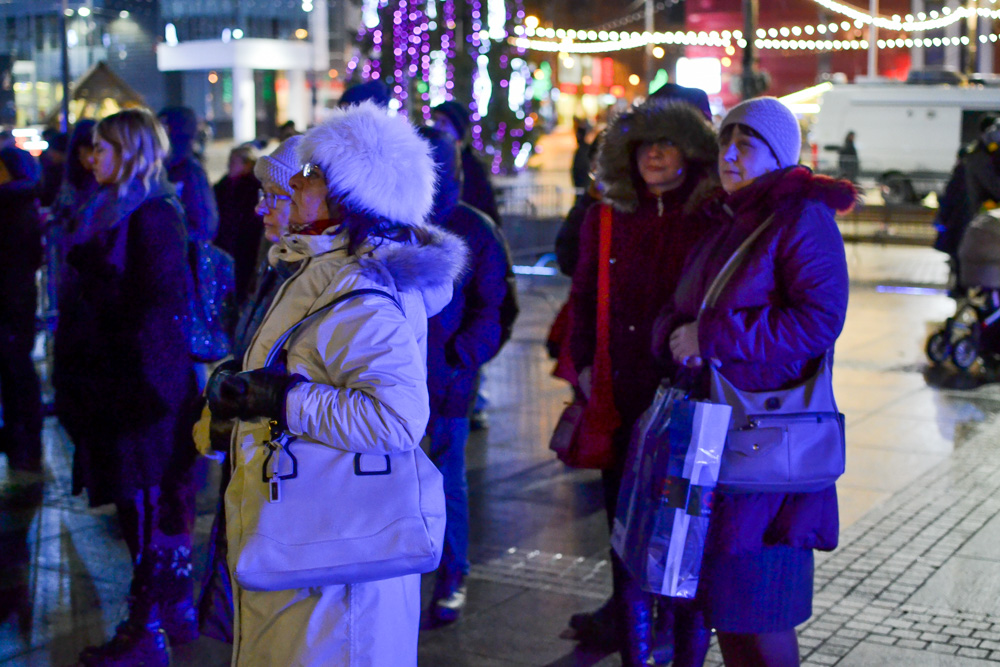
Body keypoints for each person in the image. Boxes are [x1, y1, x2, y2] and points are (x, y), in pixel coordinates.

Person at [207, 100, 465, 666]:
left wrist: (280, 398)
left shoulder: (359, 289)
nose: (295, 183)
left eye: (310, 174)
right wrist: (238, 399)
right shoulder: (320, 270)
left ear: (350, 196)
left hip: (336, 573)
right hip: (311, 546)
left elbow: (396, 418)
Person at [652, 97, 853, 667]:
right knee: (732, 610)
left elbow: (818, 320)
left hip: (767, 440)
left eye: (746, 145)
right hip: (722, 436)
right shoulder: (732, 218)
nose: (730, 156)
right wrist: (673, 333)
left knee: (761, 610)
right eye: (725, 142)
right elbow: (691, 301)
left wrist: (711, 338)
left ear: (779, 155)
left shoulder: (800, 217)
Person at [566, 97, 720, 660]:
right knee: (626, 542)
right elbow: (583, 296)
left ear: (691, 150)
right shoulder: (606, 216)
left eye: (667, 142)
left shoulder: (713, 217)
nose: (654, 154)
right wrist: (584, 365)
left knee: (686, 545)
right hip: (622, 405)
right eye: (643, 144)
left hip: (688, 407)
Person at [53, 108, 199, 666]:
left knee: (147, 508)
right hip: (115, 388)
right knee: (135, 509)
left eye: (104, 147)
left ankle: (149, 629)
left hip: (143, 394)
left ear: (133, 151)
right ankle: (159, 617)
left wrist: (96, 281)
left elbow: (158, 309)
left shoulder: (154, 214)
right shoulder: (109, 207)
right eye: (92, 147)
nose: (92, 158)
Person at [416, 125, 512, 625]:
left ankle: (452, 572)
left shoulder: (471, 228)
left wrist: (460, 358)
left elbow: (493, 306)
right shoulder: (392, 220)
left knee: (445, 476)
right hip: (398, 375)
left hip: (446, 376)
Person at [0, 136, 44, 474]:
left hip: (10, 297)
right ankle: (23, 438)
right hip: (18, 295)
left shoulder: (10, 203)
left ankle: (23, 439)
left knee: (15, 370)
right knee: (16, 369)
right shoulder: (24, 202)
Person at [432, 100, 502, 226]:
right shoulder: (430, 163)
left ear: (457, 131)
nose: (436, 127)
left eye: (444, 122)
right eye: (436, 120)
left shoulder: (473, 169)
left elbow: (487, 212)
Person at [158, 105, 219, 242]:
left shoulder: (190, 171)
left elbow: (204, 226)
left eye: (163, 127)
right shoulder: (164, 167)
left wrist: (170, 238)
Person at [213, 143, 263, 305]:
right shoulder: (223, 186)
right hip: (226, 244)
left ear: (247, 164)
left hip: (245, 246)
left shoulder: (254, 188)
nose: (229, 165)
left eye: (233, 161)